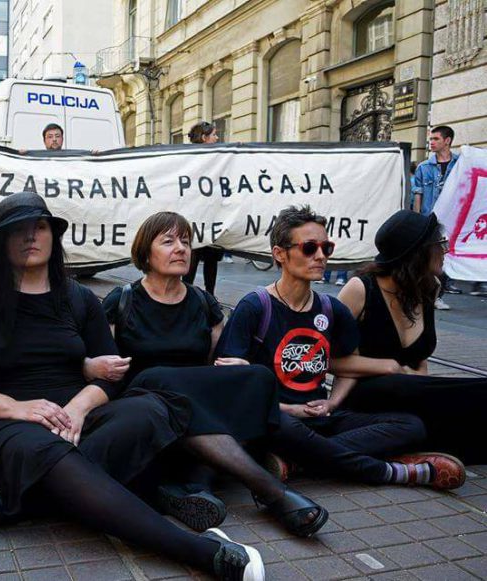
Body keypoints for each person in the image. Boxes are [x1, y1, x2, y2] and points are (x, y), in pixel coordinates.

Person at [0, 192, 264, 581]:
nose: (30, 237)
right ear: (1, 243)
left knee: (154, 407)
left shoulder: (79, 298)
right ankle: (204, 552)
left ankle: (14, 501)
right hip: (13, 425)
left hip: (80, 418)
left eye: (39, 227)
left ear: (53, 236)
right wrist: (17, 408)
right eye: (18, 231)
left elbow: (113, 377)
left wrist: (78, 407)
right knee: (48, 451)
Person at [95, 212, 327, 538]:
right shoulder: (122, 301)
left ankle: (186, 492)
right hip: (143, 409)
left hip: (192, 418)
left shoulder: (203, 303)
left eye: (186, 242)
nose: (181, 249)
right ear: (146, 252)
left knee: (256, 376)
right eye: (168, 241)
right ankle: (269, 489)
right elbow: (102, 370)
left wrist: (240, 371)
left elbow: (219, 368)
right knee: (159, 379)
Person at [216, 205, 465, 490]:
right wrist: (287, 409)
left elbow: (348, 364)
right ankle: (390, 471)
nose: (321, 256)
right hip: (277, 417)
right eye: (310, 248)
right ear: (280, 254)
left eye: (326, 247)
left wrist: (332, 403)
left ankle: (297, 461)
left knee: (411, 426)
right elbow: (230, 380)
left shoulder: (331, 309)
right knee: (282, 428)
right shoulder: (255, 306)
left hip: (319, 418)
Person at [335, 210, 487, 464]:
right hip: (366, 396)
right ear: (416, 252)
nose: (446, 250)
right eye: (440, 244)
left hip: (410, 394)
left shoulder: (428, 288)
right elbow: (322, 359)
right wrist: (387, 366)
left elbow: (419, 360)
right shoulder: (361, 288)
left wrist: (420, 383)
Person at [412, 126, 469, 301]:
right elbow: (418, 193)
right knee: (429, 255)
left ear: (447, 141)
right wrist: (418, 218)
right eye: (431, 139)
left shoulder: (461, 164)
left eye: (436, 139)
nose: (432, 142)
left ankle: (440, 290)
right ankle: (429, 293)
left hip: (453, 219)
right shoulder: (424, 167)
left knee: (448, 255)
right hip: (431, 219)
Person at [183, 122, 223, 295]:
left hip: (211, 217)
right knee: (193, 257)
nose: (217, 138)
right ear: (204, 138)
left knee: (211, 259)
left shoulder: (220, 157)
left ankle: (210, 295)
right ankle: (187, 293)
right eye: (214, 134)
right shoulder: (187, 157)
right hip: (195, 217)